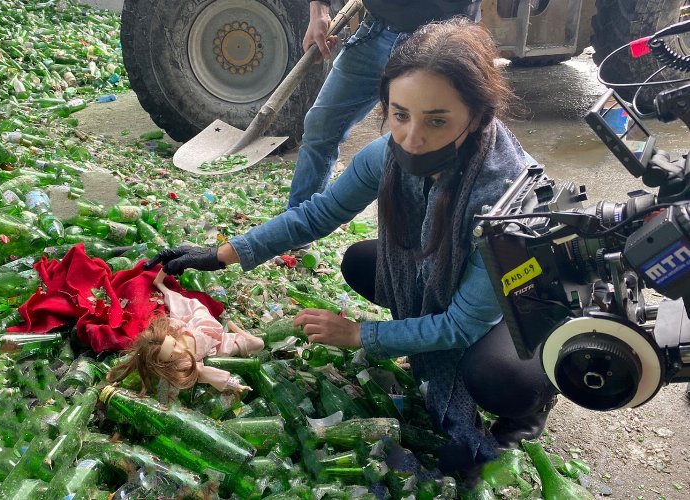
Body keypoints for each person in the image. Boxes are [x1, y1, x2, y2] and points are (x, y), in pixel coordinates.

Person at [146, 19, 558, 474]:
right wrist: (224, 253)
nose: (412, 139)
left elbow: (462, 324)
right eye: (400, 114)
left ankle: (530, 409)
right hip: (448, 277)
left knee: (499, 379)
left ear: (478, 117)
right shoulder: (387, 154)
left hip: (513, 303)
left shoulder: (505, 202)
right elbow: (317, 213)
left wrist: (362, 334)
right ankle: (430, 330)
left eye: (437, 121)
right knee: (361, 261)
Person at [288, 0, 482, 210]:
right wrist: (319, 10)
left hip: (439, 38)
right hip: (377, 29)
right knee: (320, 124)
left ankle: (433, 230)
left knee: (421, 149)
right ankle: (298, 222)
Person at [106, 271, 264, 397]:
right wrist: (234, 384)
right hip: (218, 345)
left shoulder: (175, 330)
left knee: (182, 303)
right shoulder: (183, 363)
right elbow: (204, 373)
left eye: (173, 345)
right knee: (258, 344)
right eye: (171, 355)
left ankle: (162, 286)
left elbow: (181, 313)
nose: (178, 351)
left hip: (201, 325)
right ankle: (232, 329)